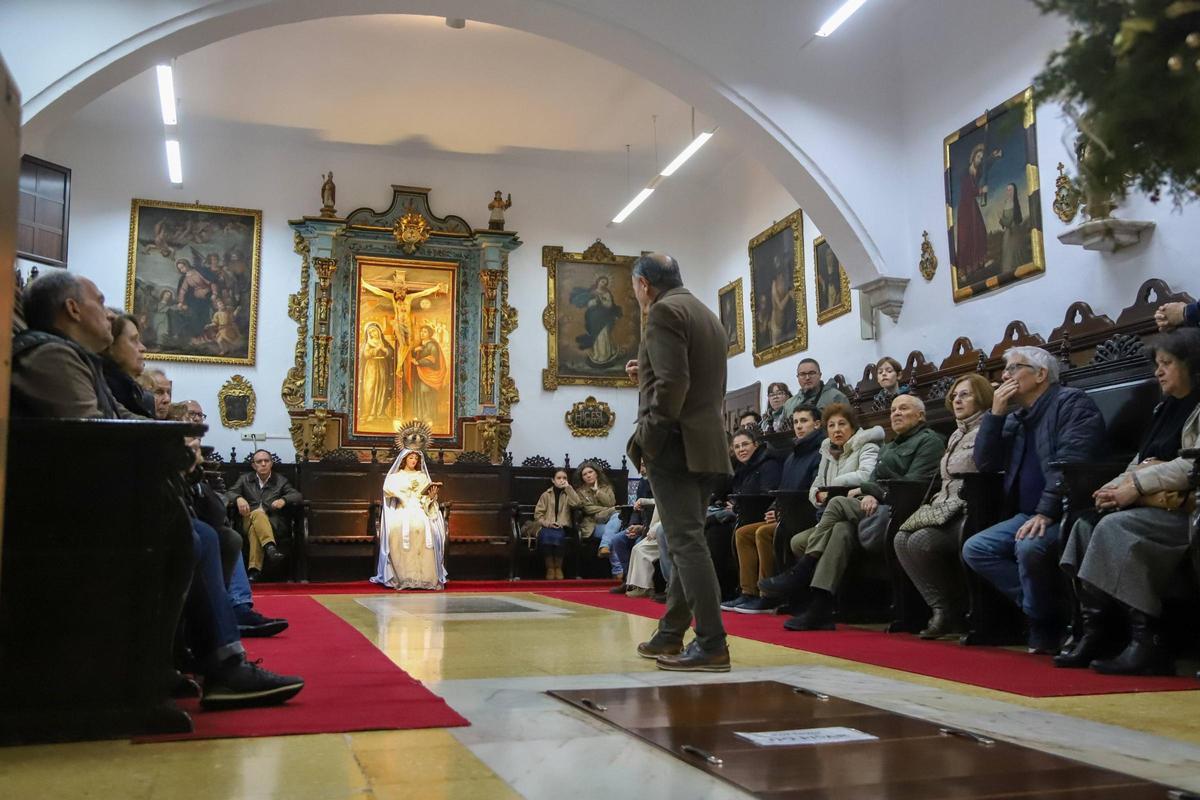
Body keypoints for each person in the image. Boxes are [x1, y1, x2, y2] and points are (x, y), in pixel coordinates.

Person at [11, 270, 303, 709]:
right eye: (98, 300)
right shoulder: (52, 356)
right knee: (199, 536)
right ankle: (205, 666)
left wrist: (166, 435)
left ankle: (183, 661)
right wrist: (167, 438)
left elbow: (106, 424)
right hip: (64, 515)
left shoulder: (70, 356)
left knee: (206, 535)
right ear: (72, 309)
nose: (107, 312)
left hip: (83, 502)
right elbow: (90, 436)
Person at [1057, 329, 1200, 674]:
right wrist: (1113, 488)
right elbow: (1139, 460)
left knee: (1115, 527)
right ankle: (1096, 632)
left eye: (1167, 363)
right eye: (1157, 364)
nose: (1158, 371)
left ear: (1192, 365)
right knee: (1082, 525)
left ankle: (1148, 641)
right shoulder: (1164, 408)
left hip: (1183, 508)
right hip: (1153, 502)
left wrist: (1134, 485)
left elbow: (1192, 463)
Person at [626, 253, 732, 672]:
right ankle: (671, 633)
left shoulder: (663, 312)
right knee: (683, 539)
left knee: (686, 543)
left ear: (644, 285)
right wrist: (646, 375)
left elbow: (674, 384)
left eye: (634, 287)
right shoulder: (704, 312)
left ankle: (711, 644)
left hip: (676, 445)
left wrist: (647, 440)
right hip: (706, 444)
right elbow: (692, 378)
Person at [963, 346, 1107, 654]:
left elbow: (1072, 463)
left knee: (1029, 546)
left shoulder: (1072, 404)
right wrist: (995, 415)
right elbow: (985, 462)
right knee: (976, 548)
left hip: (1070, 511)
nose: (1004, 376)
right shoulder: (1016, 417)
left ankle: (1043, 624)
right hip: (1027, 513)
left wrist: (1045, 512)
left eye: (1014, 368)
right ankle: (1044, 611)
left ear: (1041, 374)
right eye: (1005, 370)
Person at [774, 395, 944, 630]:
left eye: (903, 408)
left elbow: (909, 484)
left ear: (921, 415)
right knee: (829, 533)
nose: (895, 413)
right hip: (862, 510)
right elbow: (869, 481)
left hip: (893, 510)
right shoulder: (892, 445)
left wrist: (868, 492)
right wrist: (869, 491)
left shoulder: (927, 441)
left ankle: (804, 576)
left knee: (835, 504)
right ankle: (826, 603)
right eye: (893, 409)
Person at [892, 373, 993, 639]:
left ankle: (955, 609)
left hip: (971, 507)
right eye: (955, 395)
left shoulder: (989, 427)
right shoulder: (956, 433)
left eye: (965, 394)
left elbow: (986, 465)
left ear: (982, 397)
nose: (957, 400)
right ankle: (941, 609)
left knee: (920, 542)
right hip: (944, 507)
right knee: (901, 538)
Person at [719, 428, 783, 613]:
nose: (741, 449)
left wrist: (737, 506)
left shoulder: (768, 464)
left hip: (769, 515)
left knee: (756, 532)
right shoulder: (741, 468)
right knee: (739, 532)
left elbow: (768, 494)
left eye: (745, 444)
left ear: (756, 445)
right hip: (748, 515)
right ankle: (747, 592)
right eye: (737, 446)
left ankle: (766, 593)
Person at [371, 449, 448, 590]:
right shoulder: (396, 476)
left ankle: (425, 578)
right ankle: (404, 577)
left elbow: (425, 499)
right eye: (411, 458)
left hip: (420, 510)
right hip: (403, 510)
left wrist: (431, 497)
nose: (413, 461)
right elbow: (388, 490)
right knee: (398, 530)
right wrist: (402, 495)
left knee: (426, 529)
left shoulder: (422, 476)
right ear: (404, 459)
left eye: (416, 459)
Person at [225, 450, 302, 580]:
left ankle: (254, 569)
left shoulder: (280, 481)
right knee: (257, 514)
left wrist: (283, 500)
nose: (263, 464)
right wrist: (239, 498)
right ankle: (270, 547)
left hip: (272, 522)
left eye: (266, 461)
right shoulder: (245, 479)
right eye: (259, 461)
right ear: (254, 465)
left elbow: (297, 495)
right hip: (247, 520)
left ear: (271, 463)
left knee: (255, 527)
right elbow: (229, 493)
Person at [100, 312, 156, 418]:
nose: (143, 348)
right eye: (134, 340)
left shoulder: (135, 391)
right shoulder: (102, 385)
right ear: (110, 345)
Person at [608, 464, 653, 589]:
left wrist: (642, 529)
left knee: (638, 544)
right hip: (641, 525)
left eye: (644, 465)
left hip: (652, 528)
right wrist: (633, 526)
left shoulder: (660, 484)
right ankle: (628, 580)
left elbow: (659, 511)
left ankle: (640, 584)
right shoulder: (642, 483)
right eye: (639, 465)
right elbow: (636, 509)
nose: (641, 469)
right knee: (618, 540)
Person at [531, 469, 581, 579]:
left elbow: (577, 504)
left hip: (563, 527)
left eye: (564, 478)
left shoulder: (568, 493)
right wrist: (547, 523)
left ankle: (558, 568)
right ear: (553, 480)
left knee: (558, 535)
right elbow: (538, 515)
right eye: (559, 478)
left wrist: (568, 488)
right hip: (547, 526)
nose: (562, 480)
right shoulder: (546, 495)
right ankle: (550, 568)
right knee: (546, 536)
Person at [955, 142, 991, 278]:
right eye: (978, 156)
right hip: (965, 208)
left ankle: (981, 260)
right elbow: (967, 190)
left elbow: (987, 167)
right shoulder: (966, 173)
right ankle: (963, 269)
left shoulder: (978, 172)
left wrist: (992, 157)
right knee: (965, 237)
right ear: (973, 157)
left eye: (982, 157)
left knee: (980, 230)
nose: (980, 159)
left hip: (972, 206)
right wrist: (981, 190)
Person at [571, 276, 623, 366]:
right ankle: (597, 355)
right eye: (602, 281)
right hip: (594, 319)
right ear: (598, 281)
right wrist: (595, 301)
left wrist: (602, 301)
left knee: (603, 335)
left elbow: (609, 305)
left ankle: (605, 355)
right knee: (596, 337)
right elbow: (589, 304)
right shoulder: (592, 292)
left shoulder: (607, 293)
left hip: (605, 318)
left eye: (605, 283)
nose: (604, 284)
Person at [781, 358, 850, 418]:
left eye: (811, 373)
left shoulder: (835, 397)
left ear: (820, 375)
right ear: (798, 377)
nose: (807, 378)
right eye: (803, 374)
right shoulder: (789, 404)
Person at [408, 324, 447, 424]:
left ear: (429, 333)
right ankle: (419, 415)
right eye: (421, 331)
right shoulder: (420, 345)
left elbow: (433, 359)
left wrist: (419, 362)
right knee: (418, 393)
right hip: (419, 374)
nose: (422, 333)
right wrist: (414, 351)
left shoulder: (432, 345)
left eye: (425, 331)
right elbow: (413, 356)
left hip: (429, 374)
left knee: (426, 393)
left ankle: (428, 416)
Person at [359, 321, 395, 422]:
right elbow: (365, 355)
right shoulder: (368, 343)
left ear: (378, 332)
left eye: (374, 331)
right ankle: (369, 412)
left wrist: (384, 350)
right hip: (371, 366)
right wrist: (375, 350)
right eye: (370, 332)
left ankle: (379, 412)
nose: (372, 334)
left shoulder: (383, 342)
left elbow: (391, 352)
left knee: (382, 387)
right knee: (370, 389)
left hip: (383, 366)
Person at [575, 461, 618, 540]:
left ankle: (604, 548)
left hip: (610, 520)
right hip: (593, 524)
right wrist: (608, 509)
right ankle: (604, 547)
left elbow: (611, 503)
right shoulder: (580, 492)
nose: (588, 475)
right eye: (585, 474)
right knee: (615, 534)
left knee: (616, 520)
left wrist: (597, 491)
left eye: (590, 472)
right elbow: (587, 509)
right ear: (582, 478)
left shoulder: (607, 488)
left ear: (596, 473)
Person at [998, 183, 1030, 272]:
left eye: (1010, 190)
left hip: (1014, 232)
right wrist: (1002, 221)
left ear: (1014, 191)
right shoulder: (1006, 203)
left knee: (1014, 253)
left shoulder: (1013, 203)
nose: (1008, 192)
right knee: (1006, 254)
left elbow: (1008, 221)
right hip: (1007, 233)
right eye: (1007, 190)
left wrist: (1000, 218)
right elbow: (1004, 224)